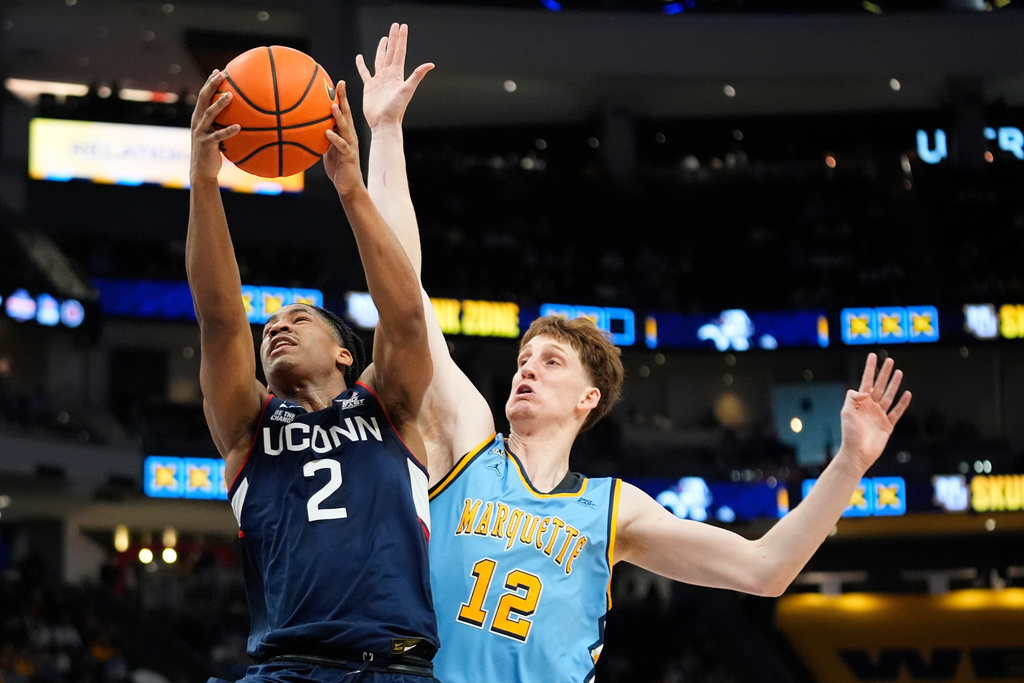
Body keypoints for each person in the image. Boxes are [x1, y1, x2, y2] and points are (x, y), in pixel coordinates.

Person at [361, 24, 912, 683]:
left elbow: (765, 569)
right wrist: (386, 133)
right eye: (523, 360)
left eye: (551, 361)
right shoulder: (469, 443)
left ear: (589, 398)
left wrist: (850, 461)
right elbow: (405, 299)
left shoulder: (614, 509)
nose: (528, 367)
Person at [187, 64, 439, 682]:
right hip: (286, 668)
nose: (276, 327)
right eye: (270, 324)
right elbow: (221, 322)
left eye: (299, 318)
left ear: (345, 354)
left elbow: (406, 316)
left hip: (396, 667)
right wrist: (203, 181)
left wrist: (351, 187)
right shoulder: (249, 426)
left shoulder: (390, 406)